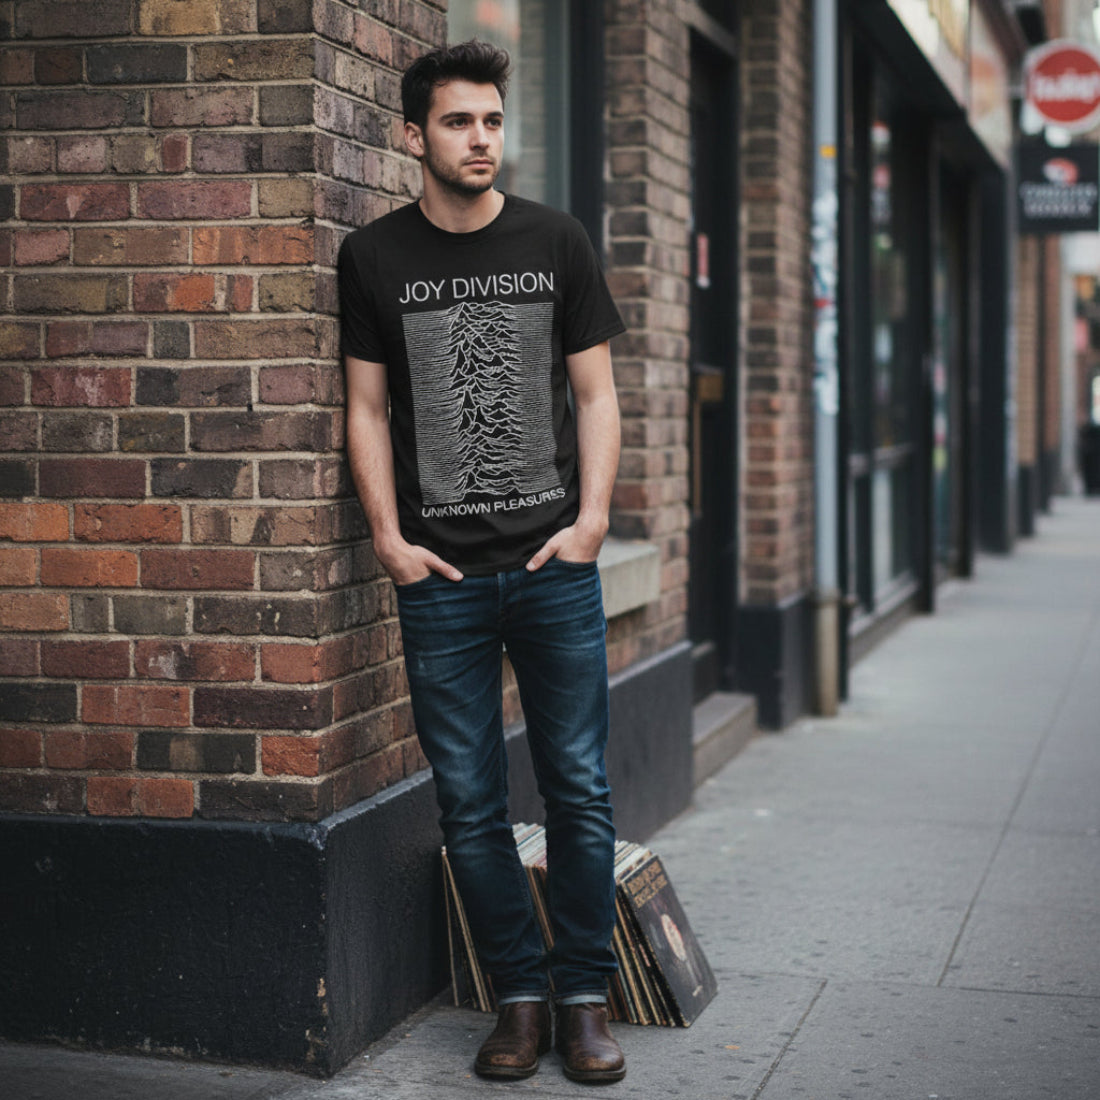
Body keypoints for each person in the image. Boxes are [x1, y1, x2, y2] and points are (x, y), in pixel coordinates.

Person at [337, 40, 627, 1084]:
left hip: (554, 566)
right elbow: (366, 409)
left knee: (578, 787)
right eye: (458, 122)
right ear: (413, 135)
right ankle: (518, 997)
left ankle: (583, 995)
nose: (480, 139)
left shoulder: (556, 239)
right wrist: (387, 539)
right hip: (442, 580)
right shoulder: (372, 257)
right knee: (467, 802)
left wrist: (592, 522)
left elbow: (595, 394)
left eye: (492, 121)